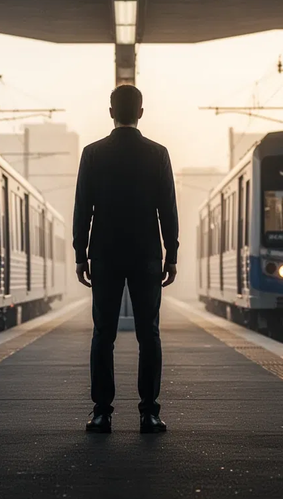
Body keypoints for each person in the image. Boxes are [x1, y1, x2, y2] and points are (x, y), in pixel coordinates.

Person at [73, 84, 179, 434]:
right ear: (141, 112)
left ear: (110, 113)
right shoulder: (158, 153)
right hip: (147, 254)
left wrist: (80, 254)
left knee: (103, 334)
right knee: (149, 334)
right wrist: (171, 253)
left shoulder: (92, 154)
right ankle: (149, 413)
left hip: (104, 254)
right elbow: (168, 209)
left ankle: (101, 412)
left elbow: (82, 209)